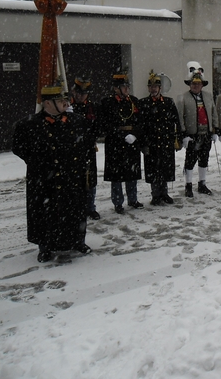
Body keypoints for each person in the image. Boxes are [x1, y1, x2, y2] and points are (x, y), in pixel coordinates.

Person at [12, 83, 93, 262]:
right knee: (45, 213)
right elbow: (18, 147)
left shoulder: (76, 121)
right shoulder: (30, 125)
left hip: (71, 177)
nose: (65, 103)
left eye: (65, 100)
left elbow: (86, 145)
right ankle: (45, 246)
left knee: (74, 210)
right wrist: (37, 162)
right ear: (47, 103)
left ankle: (78, 241)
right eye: (60, 100)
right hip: (44, 179)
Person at [100, 72, 144, 214]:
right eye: (123, 87)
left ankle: (133, 199)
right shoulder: (107, 103)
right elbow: (106, 124)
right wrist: (120, 135)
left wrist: (135, 134)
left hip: (131, 141)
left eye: (127, 86)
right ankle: (118, 202)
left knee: (132, 172)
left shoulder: (134, 101)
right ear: (116, 89)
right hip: (116, 142)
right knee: (117, 175)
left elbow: (141, 121)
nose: (126, 89)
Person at [138, 71, 181, 205]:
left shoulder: (168, 102)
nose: (153, 89)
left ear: (160, 88)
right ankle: (155, 194)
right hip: (151, 142)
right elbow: (140, 125)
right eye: (151, 87)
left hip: (165, 141)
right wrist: (143, 143)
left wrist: (177, 138)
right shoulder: (143, 103)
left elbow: (176, 122)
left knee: (164, 168)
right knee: (153, 169)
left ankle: (165, 193)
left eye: (155, 87)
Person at [175, 62, 217, 197]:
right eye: (193, 83)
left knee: (204, 159)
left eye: (198, 84)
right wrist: (183, 135)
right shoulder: (182, 98)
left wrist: (214, 130)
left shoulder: (208, 96)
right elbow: (179, 118)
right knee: (190, 161)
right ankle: (188, 185)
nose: (196, 86)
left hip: (206, 133)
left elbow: (213, 113)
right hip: (192, 135)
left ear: (202, 84)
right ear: (189, 84)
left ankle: (202, 184)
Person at [70, 77, 101, 219]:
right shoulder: (68, 108)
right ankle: (77, 208)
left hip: (88, 148)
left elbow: (98, 127)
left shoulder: (92, 107)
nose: (80, 96)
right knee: (75, 180)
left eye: (83, 94)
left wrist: (91, 136)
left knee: (90, 179)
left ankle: (90, 207)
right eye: (78, 93)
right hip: (72, 150)